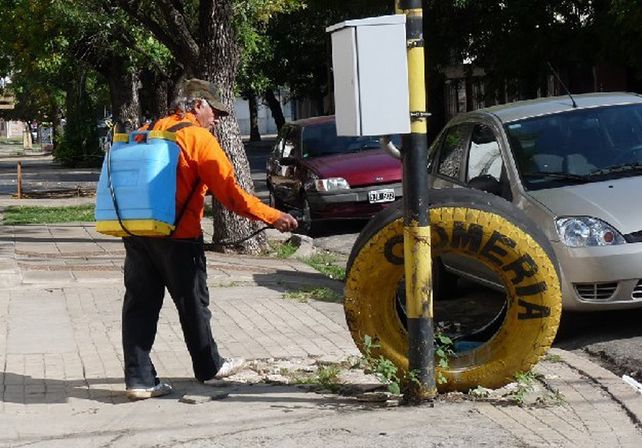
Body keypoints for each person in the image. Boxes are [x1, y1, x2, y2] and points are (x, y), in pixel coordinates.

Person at [123, 78, 298, 400]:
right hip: (178, 237)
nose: (216, 118)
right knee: (193, 304)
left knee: (140, 306)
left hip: (136, 233)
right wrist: (274, 216)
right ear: (196, 105)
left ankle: (139, 379)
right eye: (213, 110)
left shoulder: (148, 130)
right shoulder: (197, 139)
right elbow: (231, 196)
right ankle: (209, 367)